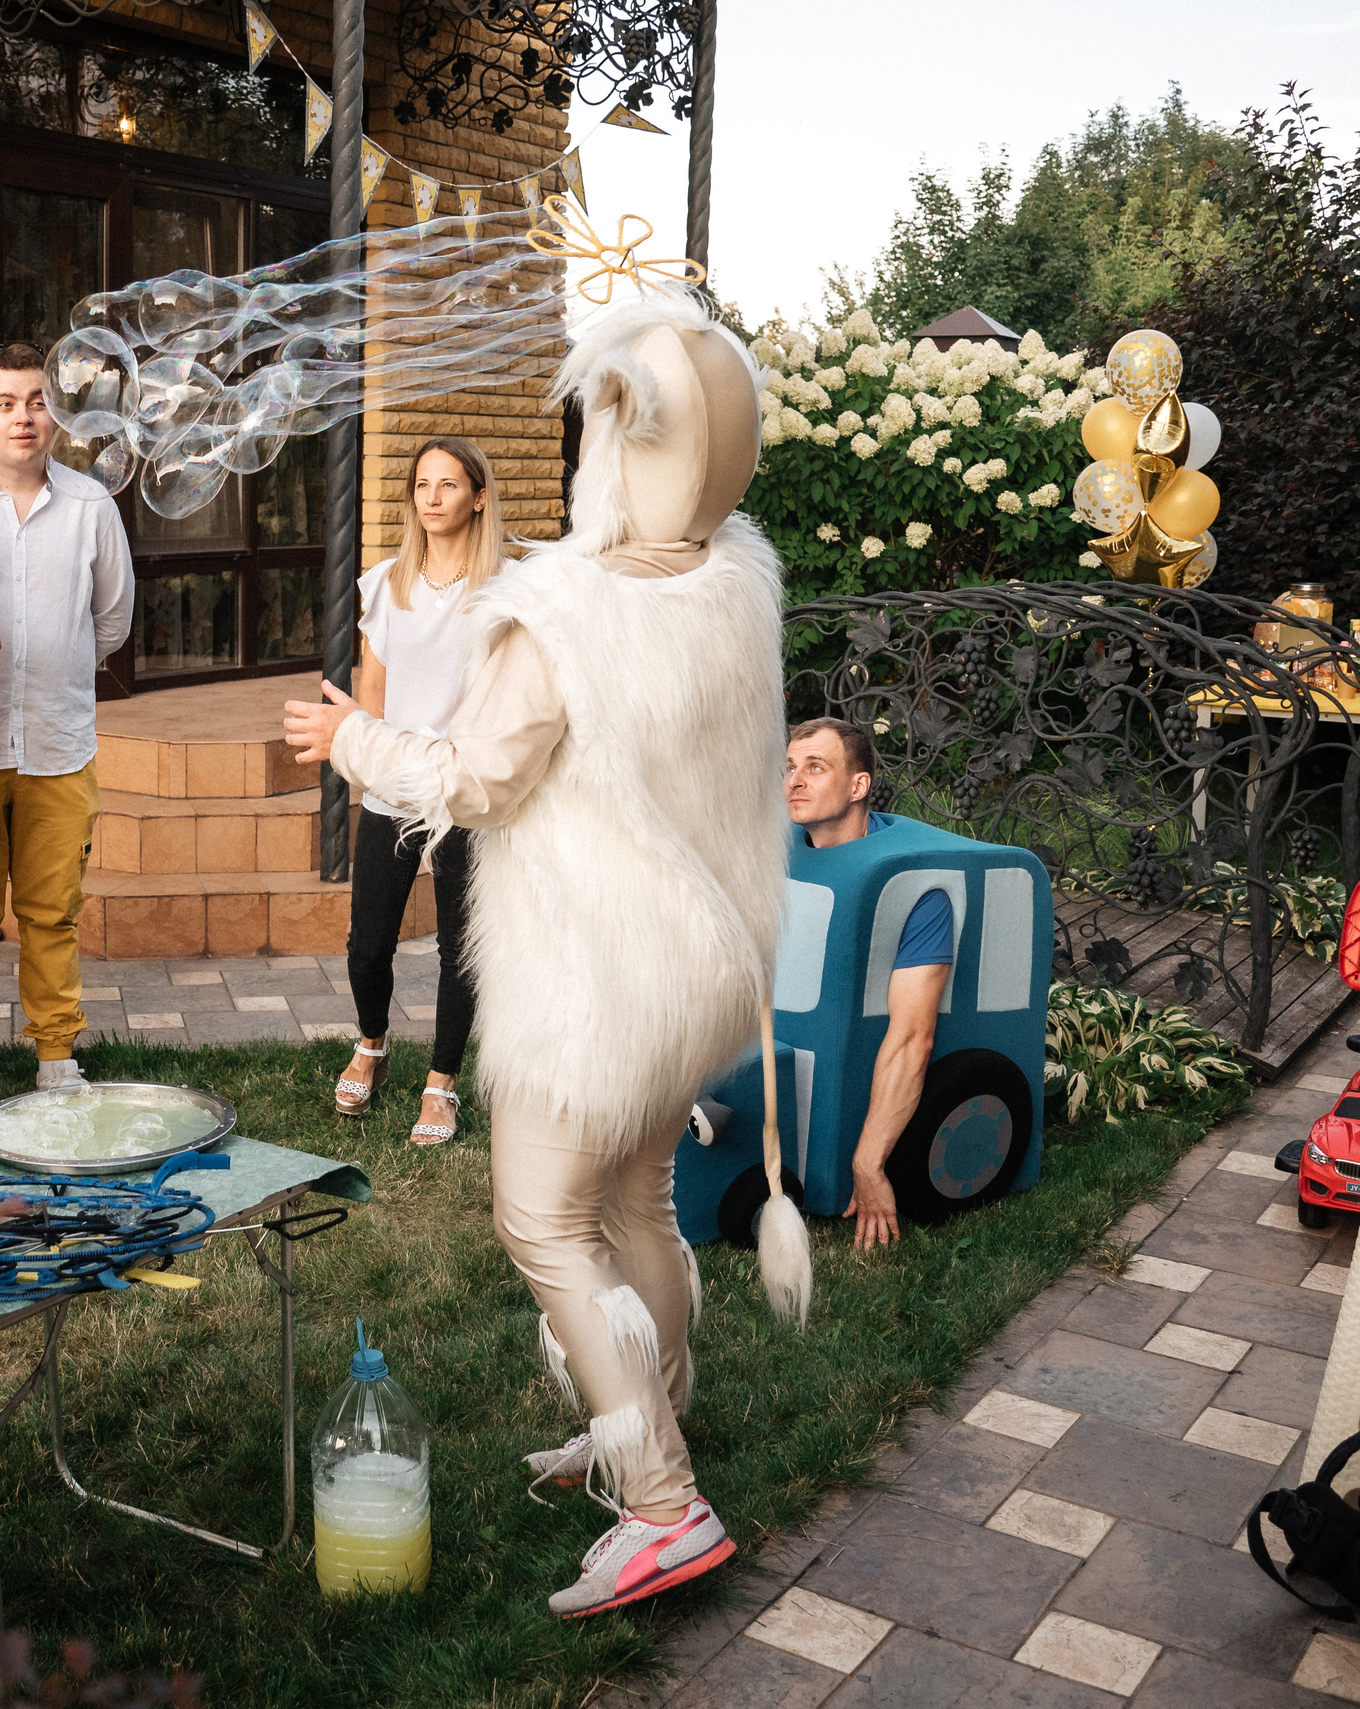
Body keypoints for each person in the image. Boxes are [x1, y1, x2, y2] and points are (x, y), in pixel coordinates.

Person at [285, 288, 786, 1617]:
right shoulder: (734, 578)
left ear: (611, 449)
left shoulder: (561, 614)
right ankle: (641, 1425)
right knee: (636, 1207)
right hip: (698, 974)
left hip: (597, 985)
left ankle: (667, 1501)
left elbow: (470, 781)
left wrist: (344, 735)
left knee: (544, 1221)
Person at [0, 343, 135, 1119]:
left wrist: (57, 661)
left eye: (37, 401)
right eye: (6, 402)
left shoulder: (91, 506)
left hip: (57, 743)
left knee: (52, 914)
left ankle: (55, 1061)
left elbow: (110, 620)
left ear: (58, 412)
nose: (24, 416)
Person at [331, 437, 508, 1148]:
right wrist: (368, 766)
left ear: (479, 496)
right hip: (395, 786)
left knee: (458, 949)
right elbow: (371, 694)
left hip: (464, 788)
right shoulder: (385, 584)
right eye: (422, 485)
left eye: (449, 484)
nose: (432, 497)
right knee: (367, 945)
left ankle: (441, 1083)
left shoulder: (502, 594)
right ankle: (371, 1042)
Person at [784, 715, 955, 1250]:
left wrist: (867, 1162)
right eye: (789, 767)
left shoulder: (911, 887)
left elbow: (912, 1037)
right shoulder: (767, 853)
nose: (794, 780)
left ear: (859, 786)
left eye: (815, 767)